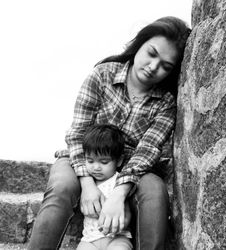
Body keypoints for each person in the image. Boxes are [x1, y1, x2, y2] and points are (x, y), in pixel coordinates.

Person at [28, 16, 191, 250]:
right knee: (62, 186)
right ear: (139, 45)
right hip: (82, 157)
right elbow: (77, 132)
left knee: (154, 189)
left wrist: (118, 193)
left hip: (132, 169)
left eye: (166, 66)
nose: (154, 67)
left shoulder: (165, 103)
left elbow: (147, 151)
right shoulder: (102, 75)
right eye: (152, 53)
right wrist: (87, 184)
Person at [76, 124, 132, 250]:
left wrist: (119, 224)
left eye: (104, 162)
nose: (96, 167)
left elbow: (127, 211)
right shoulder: (87, 183)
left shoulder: (118, 181)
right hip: (89, 240)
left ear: (118, 161)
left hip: (117, 238)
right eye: (90, 161)